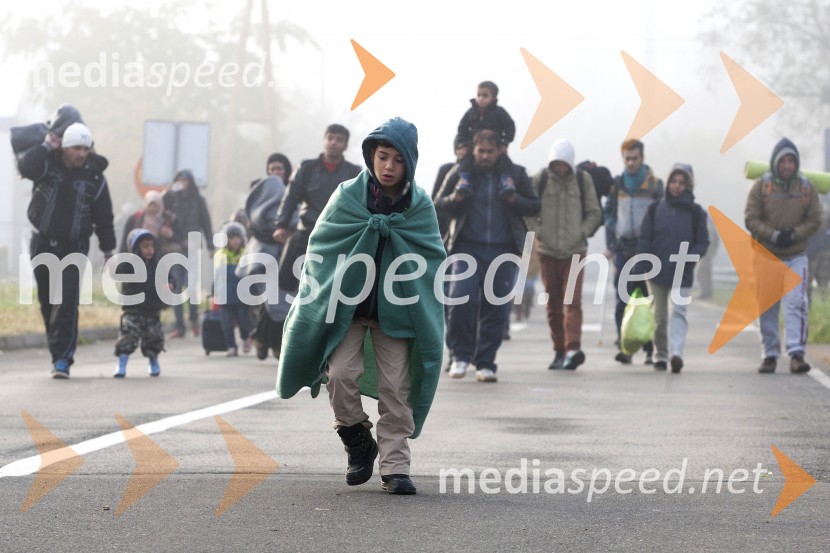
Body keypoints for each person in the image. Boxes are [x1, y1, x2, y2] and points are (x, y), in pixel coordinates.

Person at [276, 117, 446, 495]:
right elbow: (322, 247)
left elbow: (432, 261)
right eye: (382, 156)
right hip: (349, 312)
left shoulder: (420, 208)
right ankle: (357, 440)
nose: (388, 166)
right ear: (372, 156)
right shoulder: (347, 197)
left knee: (396, 390)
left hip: (396, 316)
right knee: (339, 375)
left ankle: (395, 468)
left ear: (410, 164)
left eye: (397, 160)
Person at [435, 129, 540, 382]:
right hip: (465, 248)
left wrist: (514, 197)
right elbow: (437, 203)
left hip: (504, 249)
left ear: (499, 151)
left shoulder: (516, 174)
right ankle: (459, 357)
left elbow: (535, 205)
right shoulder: (461, 172)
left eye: (490, 151)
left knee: (496, 308)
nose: (485, 156)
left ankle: (486, 362)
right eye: (480, 151)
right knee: (459, 299)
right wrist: (456, 196)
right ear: (473, 149)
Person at [17, 122, 116, 378]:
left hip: (75, 246)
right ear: (64, 147)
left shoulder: (95, 176)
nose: (81, 154)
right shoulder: (46, 164)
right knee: (48, 301)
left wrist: (108, 250)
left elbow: (104, 216)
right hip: (42, 243)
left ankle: (62, 359)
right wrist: (46, 145)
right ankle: (56, 351)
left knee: (67, 301)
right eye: (76, 148)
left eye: (85, 148)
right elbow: (25, 167)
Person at [745, 138, 821, 374]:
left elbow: (816, 219)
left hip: (796, 256)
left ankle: (796, 354)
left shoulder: (807, 188)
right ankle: (770, 355)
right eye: (783, 161)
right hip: (766, 256)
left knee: (796, 304)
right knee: (766, 308)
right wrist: (774, 235)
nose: (787, 165)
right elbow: (750, 218)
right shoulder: (761, 187)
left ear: (796, 163)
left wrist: (794, 234)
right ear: (775, 163)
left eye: (791, 161)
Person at [527, 139, 602, 371]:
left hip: (575, 251)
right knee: (553, 304)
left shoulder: (582, 180)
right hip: (547, 251)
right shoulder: (540, 180)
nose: (560, 168)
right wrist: (538, 233)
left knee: (573, 301)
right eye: (557, 163)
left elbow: (595, 212)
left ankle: (573, 349)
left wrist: (582, 233)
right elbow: (527, 210)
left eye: (564, 164)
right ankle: (559, 350)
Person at [637, 164, 709, 373]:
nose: (677, 186)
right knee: (659, 317)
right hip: (657, 270)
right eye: (674, 182)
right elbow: (645, 238)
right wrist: (642, 263)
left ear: (688, 186)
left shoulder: (696, 213)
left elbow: (702, 242)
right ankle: (661, 354)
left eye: (682, 183)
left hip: (682, 271)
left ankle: (677, 353)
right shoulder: (655, 209)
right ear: (668, 183)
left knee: (678, 312)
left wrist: (690, 257)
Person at [272, 124, 361, 291]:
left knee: (341, 285)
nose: (334, 143)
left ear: (346, 145)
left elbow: (361, 206)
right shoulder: (306, 168)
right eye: (330, 138)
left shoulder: (354, 173)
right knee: (285, 281)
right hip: (307, 231)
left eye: (339, 140)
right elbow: (291, 198)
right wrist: (281, 225)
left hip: (339, 237)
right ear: (324, 141)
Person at [604, 139, 663, 365]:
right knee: (623, 299)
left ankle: (650, 349)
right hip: (623, 249)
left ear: (642, 158)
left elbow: (662, 214)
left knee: (647, 300)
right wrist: (614, 230)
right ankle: (625, 346)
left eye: (634, 158)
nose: (630, 163)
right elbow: (608, 212)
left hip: (647, 250)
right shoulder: (617, 185)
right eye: (627, 158)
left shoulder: (655, 185)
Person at [242, 154, 294, 361]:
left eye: (279, 168)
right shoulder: (259, 190)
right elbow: (252, 220)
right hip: (262, 251)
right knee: (268, 300)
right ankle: (266, 340)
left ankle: (267, 340)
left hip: (287, 253)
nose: (275, 173)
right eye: (271, 169)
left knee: (280, 300)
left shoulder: (294, 191)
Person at [113, 229, 173, 378]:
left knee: (153, 339)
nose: (149, 250)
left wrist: (170, 285)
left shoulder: (158, 265)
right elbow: (117, 272)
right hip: (133, 310)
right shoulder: (129, 264)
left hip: (152, 310)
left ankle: (153, 361)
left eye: (151, 246)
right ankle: (121, 364)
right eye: (145, 246)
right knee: (128, 338)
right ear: (136, 248)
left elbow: (170, 278)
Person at [162, 169, 214, 338]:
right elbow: (159, 209)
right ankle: (179, 326)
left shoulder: (198, 201)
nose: (183, 183)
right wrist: (168, 190)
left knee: (191, 286)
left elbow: (206, 224)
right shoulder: (170, 199)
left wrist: (211, 246)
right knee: (176, 287)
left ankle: (193, 320)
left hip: (192, 246)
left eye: (185, 180)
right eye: (180, 180)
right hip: (175, 248)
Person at [455, 81, 517, 213]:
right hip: (474, 147)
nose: (481, 98)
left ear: (493, 98)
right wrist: (462, 144)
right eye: (479, 95)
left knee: (504, 160)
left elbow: (510, 126)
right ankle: (465, 179)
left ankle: (506, 180)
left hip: (495, 146)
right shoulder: (470, 112)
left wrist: (505, 142)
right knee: (466, 160)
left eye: (485, 95)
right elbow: (462, 129)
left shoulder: (499, 112)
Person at [213, 221, 253, 357]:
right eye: (231, 238)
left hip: (242, 296)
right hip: (225, 296)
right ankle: (231, 346)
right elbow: (217, 276)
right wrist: (214, 292)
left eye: (237, 238)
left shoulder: (246, 255)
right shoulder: (220, 256)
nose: (235, 241)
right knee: (226, 324)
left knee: (243, 321)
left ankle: (246, 337)